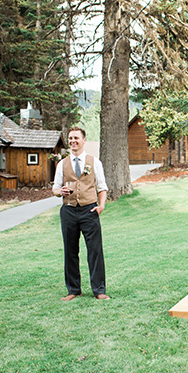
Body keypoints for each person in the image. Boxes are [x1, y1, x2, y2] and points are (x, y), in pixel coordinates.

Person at [52, 127, 110, 301]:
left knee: (95, 251)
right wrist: (59, 191)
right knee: (70, 251)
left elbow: (102, 187)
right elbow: (54, 189)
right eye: (70, 138)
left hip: (89, 210)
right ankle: (73, 290)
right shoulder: (62, 164)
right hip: (68, 211)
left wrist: (101, 206)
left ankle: (99, 290)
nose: (72, 141)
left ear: (84, 140)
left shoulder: (94, 162)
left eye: (76, 138)